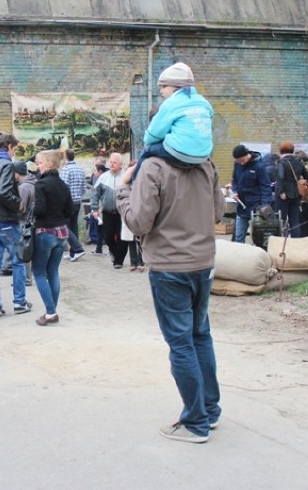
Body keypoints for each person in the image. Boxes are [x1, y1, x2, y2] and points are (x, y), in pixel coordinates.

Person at [117, 154, 224, 444]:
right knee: (200, 336)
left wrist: (123, 189)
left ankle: (195, 422)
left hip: (170, 268)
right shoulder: (205, 163)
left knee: (181, 343)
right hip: (204, 263)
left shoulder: (153, 166)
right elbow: (218, 211)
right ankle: (210, 410)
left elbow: (138, 223)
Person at [132, 62, 214, 179]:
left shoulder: (170, 104)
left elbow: (152, 135)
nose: (161, 91)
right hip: (204, 154)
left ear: (176, 87)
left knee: (147, 150)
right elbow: (210, 118)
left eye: (164, 86)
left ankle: (136, 181)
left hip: (180, 153)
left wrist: (151, 139)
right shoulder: (204, 103)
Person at [0, 133, 30, 319]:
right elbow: (2, 192)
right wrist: (17, 203)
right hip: (6, 220)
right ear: (8, 146)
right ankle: (19, 302)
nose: (14, 153)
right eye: (14, 149)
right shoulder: (7, 165)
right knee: (18, 261)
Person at [31, 150, 73, 326]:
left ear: (49, 164)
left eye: (39, 163)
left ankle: (50, 312)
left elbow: (39, 210)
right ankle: (51, 311)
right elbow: (70, 211)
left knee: (39, 272)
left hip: (45, 232)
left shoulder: (40, 185)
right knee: (53, 272)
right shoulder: (63, 185)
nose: (37, 166)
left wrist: (30, 210)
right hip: (62, 233)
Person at [229, 144, 272, 244]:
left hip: (256, 208)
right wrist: (235, 192)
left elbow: (265, 187)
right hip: (242, 206)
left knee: (258, 237)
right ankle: (239, 256)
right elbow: (235, 180)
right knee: (238, 236)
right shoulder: (238, 164)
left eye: (242, 160)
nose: (241, 163)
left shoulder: (259, 167)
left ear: (247, 154)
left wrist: (265, 206)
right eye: (238, 161)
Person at [91, 153, 127, 268]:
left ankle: (118, 261)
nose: (112, 164)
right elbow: (95, 194)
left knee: (122, 237)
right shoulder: (103, 177)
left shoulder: (126, 177)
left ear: (121, 165)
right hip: (107, 212)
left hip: (122, 213)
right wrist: (95, 208)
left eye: (115, 162)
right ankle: (114, 252)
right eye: (110, 162)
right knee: (108, 236)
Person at [275, 142, 308, 238]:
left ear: (281, 151)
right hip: (296, 194)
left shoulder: (281, 162)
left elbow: (280, 177)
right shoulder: (298, 161)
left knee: (281, 220)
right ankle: (295, 242)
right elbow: (307, 176)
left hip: (283, 195)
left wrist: (282, 192)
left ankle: (281, 242)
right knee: (294, 221)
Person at [60, 149, 87, 262]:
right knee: (74, 226)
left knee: (65, 227)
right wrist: (78, 196)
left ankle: (78, 248)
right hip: (77, 201)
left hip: (68, 202)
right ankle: (73, 253)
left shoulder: (66, 169)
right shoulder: (80, 169)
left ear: (66, 157)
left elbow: (63, 187)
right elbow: (84, 187)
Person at [12, 160, 36, 287]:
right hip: (34, 222)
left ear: (17, 173)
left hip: (24, 223)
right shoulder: (34, 183)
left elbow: (21, 208)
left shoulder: (23, 187)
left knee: (24, 251)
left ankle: (26, 278)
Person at [295, 150, 308, 237]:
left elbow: (301, 183)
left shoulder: (305, 169)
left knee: (302, 218)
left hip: (303, 197)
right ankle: (306, 235)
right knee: (306, 218)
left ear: (301, 160)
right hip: (307, 196)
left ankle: (303, 236)